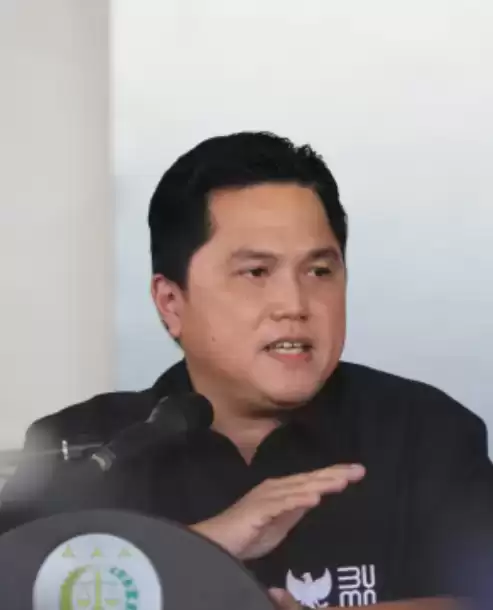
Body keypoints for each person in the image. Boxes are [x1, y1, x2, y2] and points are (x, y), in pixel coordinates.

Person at [1, 132, 492, 609]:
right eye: (256, 272)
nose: (294, 304)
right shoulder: (85, 449)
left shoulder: (427, 433)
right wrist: (199, 547)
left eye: (319, 271)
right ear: (171, 303)